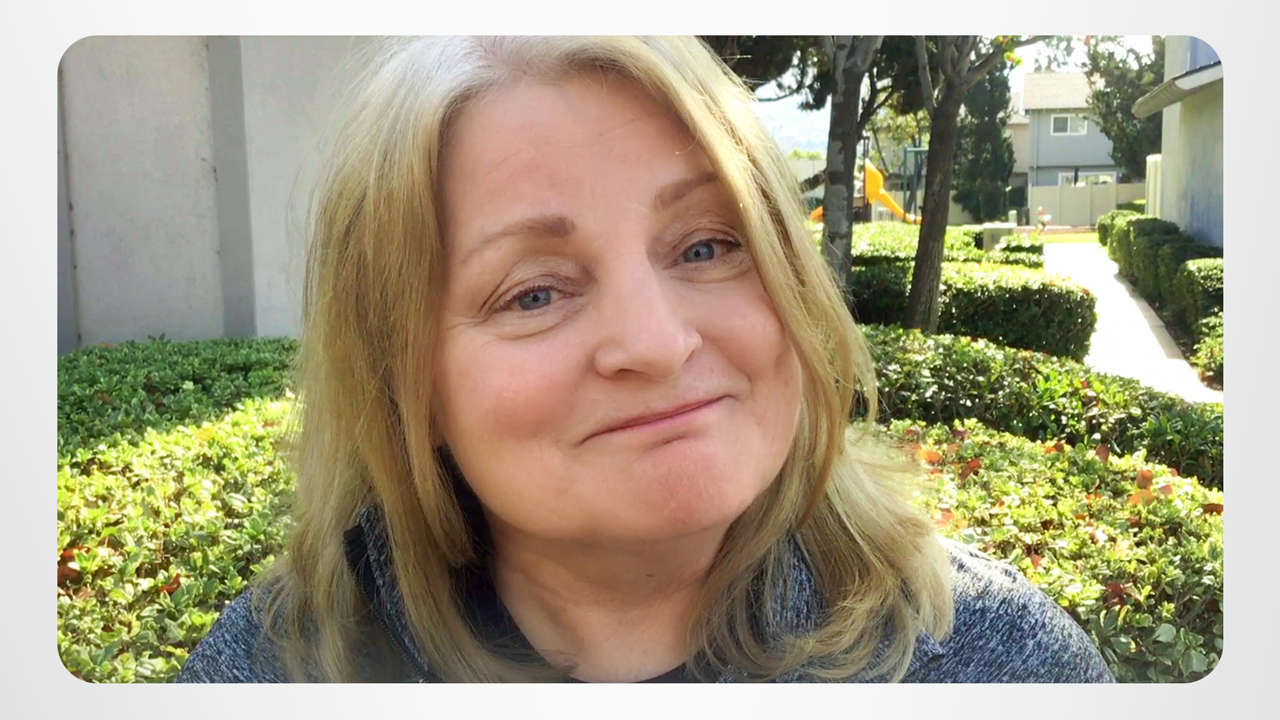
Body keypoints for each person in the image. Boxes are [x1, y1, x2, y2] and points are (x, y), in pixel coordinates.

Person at [178, 36, 1113, 684]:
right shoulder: (274, 668)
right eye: (533, 293)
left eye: (707, 246)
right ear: (402, 382)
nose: (660, 344)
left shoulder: (995, 662)